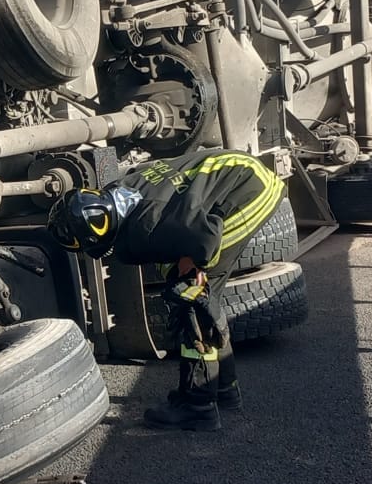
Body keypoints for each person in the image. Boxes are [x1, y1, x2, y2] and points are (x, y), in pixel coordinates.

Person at [47, 150, 283, 431]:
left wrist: (191, 267)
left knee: (193, 301)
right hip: (238, 171)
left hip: (249, 193)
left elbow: (204, 238)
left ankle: (198, 406)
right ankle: (224, 390)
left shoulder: (147, 224)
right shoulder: (122, 193)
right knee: (201, 293)